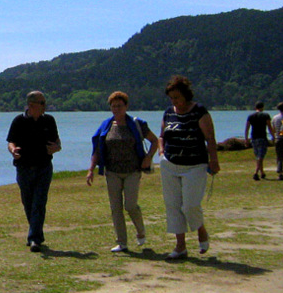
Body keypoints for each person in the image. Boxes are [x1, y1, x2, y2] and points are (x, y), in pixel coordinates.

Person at [86, 91, 159, 253]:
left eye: (119, 106)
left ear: (126, 106)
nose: (116, 109)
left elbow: (155, 141)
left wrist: (148, 157)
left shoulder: (137, 124)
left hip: (133, 171)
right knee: (115, 208)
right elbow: (97, 149)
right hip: (112, 172)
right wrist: (91, 169)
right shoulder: (106, 125)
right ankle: (122, 242)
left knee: (130, 205)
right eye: (113, 106)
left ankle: (141, 231)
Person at [159, 76, 220, 259]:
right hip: (170, 164)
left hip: (194, 165)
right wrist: (161, 153)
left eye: (177, 97)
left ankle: (201, 230)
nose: (174, 101)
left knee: (190, 205)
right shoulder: (169, 112)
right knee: (173, 205)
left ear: (185, 95)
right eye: (171, 97)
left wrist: (214, 160)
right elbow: (162, 135)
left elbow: (209, 137)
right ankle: (180, 246)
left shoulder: (199, 111)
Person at [6, 91, 61, 252]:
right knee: (28, 203)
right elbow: (11, 141)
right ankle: (36, 233)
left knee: (39, 202)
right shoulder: (19, 121)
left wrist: (57, 147)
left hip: (44, 167)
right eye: (42, 103)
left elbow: (57, 141)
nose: (45, 106)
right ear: (31, 105)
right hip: (23, 168)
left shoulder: (49, 120)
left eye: (44, 103)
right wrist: (13, 150)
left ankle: (34, 239)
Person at [244, 101, 276, 180]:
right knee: (260, 156)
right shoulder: (265, 115)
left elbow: (247, 128)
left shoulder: (250, 116)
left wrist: (246, 139)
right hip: (262, 137)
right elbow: (269, 127)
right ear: (262, 107)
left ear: (255, 108)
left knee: (258, 156)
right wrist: (273, 136)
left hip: (254, 138)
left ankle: (262, 172)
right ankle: (256, 172)